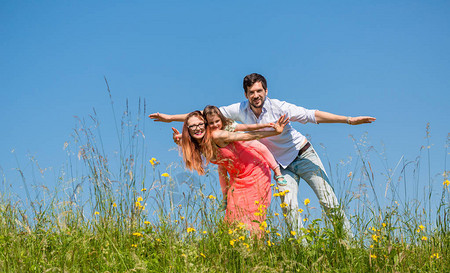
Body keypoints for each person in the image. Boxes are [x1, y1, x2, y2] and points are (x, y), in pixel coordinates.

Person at [150, 73, 376, 237]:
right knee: (288, 207)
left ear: (266, 91)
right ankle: (303, 249)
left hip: (302, 155)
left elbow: (312, 115)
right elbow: (201, 116)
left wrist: (348, 120)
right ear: (246, 94)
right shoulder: (239, 110)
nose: (255, 95)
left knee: (328, 200)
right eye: (251, 92)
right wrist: (170, 118)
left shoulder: (280, 107)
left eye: (259, 91)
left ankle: (348, 243)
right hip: (279, 165)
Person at [179, 110, 288, 235]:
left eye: (200, 124)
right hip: (237, 179)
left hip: (255, 171)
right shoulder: (200, 144)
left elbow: (247, 135)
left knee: (254, 216)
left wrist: (274, 131)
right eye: (193, 126)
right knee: (232, 218)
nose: (197, 128)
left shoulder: (217, 135)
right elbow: (222, 168)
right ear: (188, 129)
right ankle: (235, 251)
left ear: (205, 125)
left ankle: (257, 249)